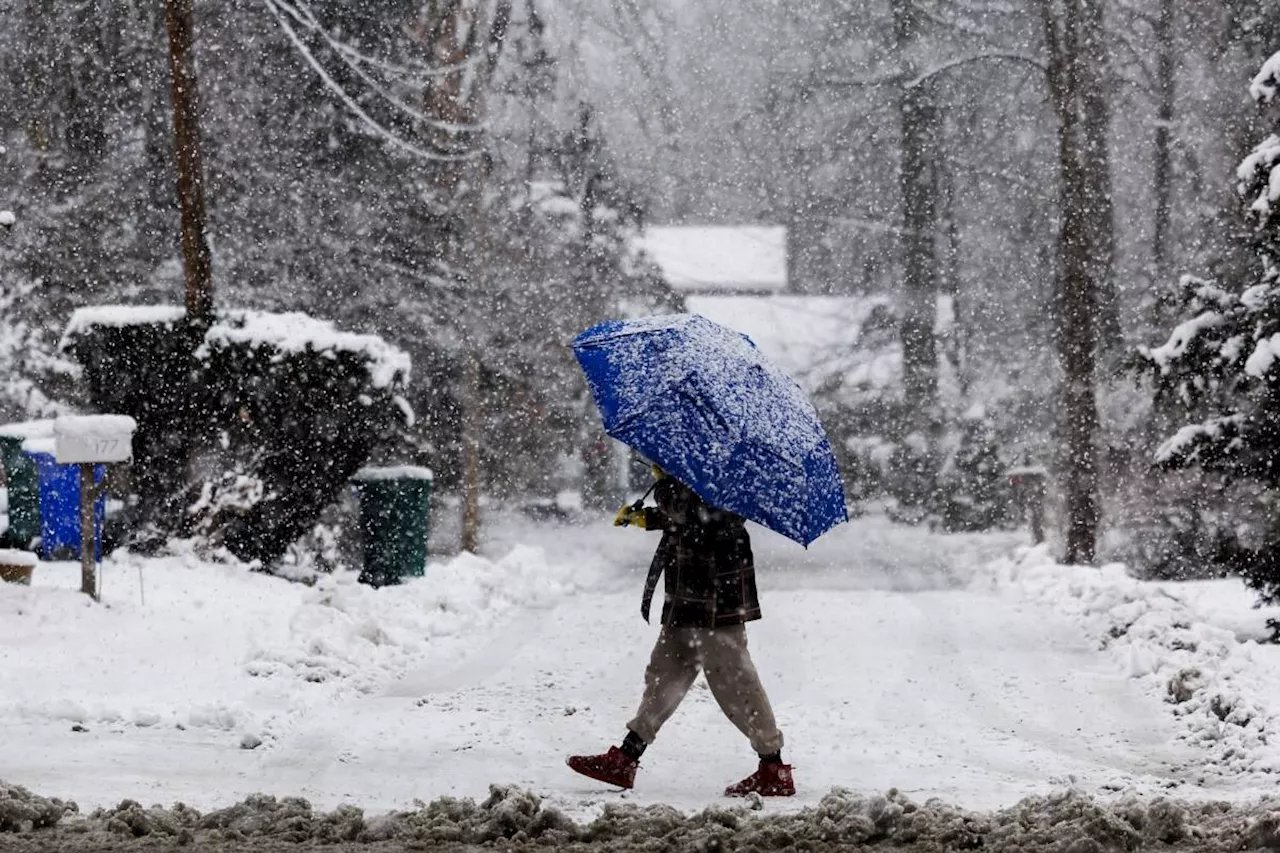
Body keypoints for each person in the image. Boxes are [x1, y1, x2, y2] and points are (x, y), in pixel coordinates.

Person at [566, 465, 794, 797]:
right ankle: (627, 757)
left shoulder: (732, 463)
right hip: (690, 581)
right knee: (666, 669)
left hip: (717, 584)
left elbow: (709, 516)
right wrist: (649, 518)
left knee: (733, 676)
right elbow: (692, 512)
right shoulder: (700, 456)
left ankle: (773, 766)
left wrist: (664, 487)